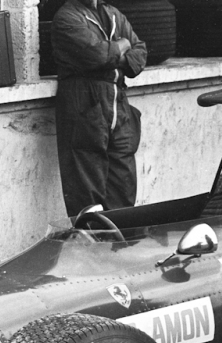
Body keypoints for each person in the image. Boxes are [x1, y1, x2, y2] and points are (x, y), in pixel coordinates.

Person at [52, 0, 147, 217]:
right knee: (87, 194)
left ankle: (118, 247)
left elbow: (140, 53)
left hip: (118, 104)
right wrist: (122, 45)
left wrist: (114, 54)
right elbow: (95, 55)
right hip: (85, 104)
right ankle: (92, 247)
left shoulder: (113, 14)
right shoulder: (67, 17)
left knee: (123, 187)